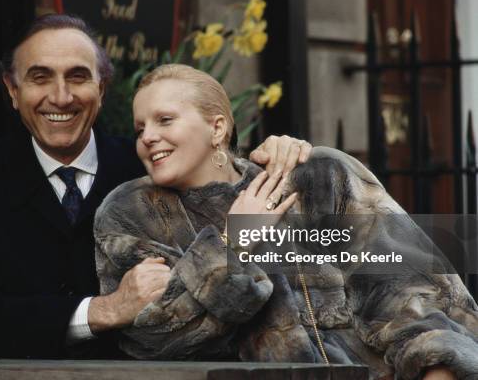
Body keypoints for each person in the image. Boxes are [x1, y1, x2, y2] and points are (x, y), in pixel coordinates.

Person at [0, 14, 311, 358]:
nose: (60, 96)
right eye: (39, 77)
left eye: (78, 76)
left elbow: (224, 185)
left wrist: (282, 154)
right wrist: (104, 310)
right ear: (13, 91)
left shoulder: (151, 167)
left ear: (103, 88)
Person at [93, 64, 478, 379]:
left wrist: (436, 363)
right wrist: (232, 246)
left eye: (164, 120)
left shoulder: (316, 176)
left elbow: (407, 288)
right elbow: (154, 341)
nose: (148, 138)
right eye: (140, 128)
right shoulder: (130, 212)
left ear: (217, 128)